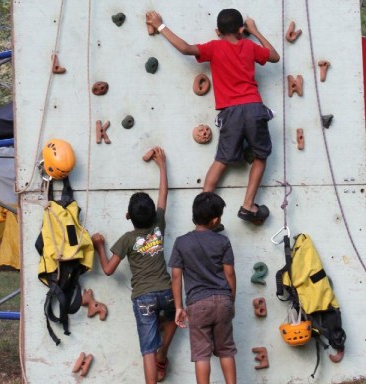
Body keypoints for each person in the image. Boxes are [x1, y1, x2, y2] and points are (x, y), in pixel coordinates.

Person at [146, 9, 280, 226]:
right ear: (241, 30)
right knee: (261, 156)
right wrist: (254, 32)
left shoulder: (214, 47)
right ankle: (248, 205)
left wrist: (160, 26)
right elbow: (274, 56)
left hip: (231, 112)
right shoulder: (249, 45)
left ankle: (204, 214)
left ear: (218, 31)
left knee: (221, 161)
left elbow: (185, 48)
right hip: (254, 107)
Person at [91, 147, 177, 383]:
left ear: (128, 216)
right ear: (153, 214)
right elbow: (163, 194)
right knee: (173, 318)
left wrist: (99, 245)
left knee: (146, 349)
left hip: (144, 298)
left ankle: (156, 357)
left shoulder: (127, 239)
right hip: (167, 293)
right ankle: (164, 354)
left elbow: (108, 270)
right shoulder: (159, 224)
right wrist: (162, 165)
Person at [169, 192, 237, 384]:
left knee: (201, 354)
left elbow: (176, 276)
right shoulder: (223, 242)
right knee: (226, 350)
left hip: (197, 304)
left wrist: (179, 307)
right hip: (223, 300)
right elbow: (230, 274)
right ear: (215, 220)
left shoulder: (181, 243)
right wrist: (231, 300)